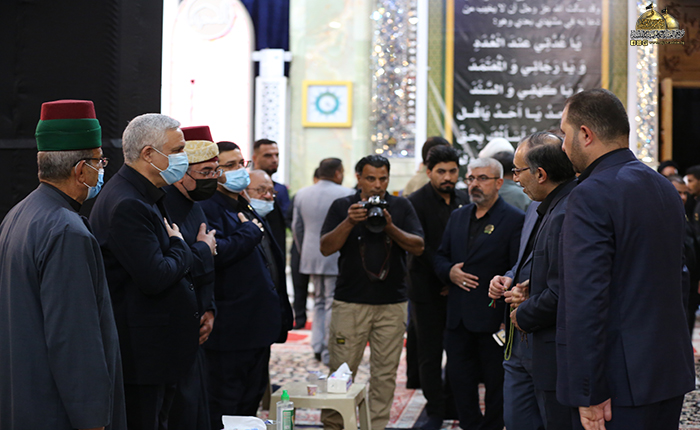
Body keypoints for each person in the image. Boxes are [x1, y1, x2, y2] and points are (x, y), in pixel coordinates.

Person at [556, 88, 694, 430]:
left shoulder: (590, 194)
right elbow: (679, 277)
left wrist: (589, 391)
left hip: (618, 385)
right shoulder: (664, 187)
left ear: (585, 134)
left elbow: (586, 298)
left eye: (564, 134)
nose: (562, 146)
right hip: (666, 372)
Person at [0, 99, 126, 430]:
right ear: (81, 170)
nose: (102, 169)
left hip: (22, 400)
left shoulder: (19, 215)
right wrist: (92, 419)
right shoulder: (67, 231)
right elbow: (74, 338)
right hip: (56, 411)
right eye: (100, 161)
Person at [90, 113, 200, 430]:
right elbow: (156, 276)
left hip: (156, 352)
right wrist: (182, 246)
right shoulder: (128, 202)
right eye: (178, 150)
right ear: (149, 154)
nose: (184, 158)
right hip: (143, 356)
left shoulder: (144, 193)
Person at [320, 155, 424, 430]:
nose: (377, 185)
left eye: (383, 179)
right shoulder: (343, 206)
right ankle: (334, 426)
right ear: (358, 178)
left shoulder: (401, 206)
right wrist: (349, 221)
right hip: (350, 302)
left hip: (392, 304)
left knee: (385, 374)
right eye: (370, 178)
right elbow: (326, 247)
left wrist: (389, 226)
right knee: (340, 372)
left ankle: (375, 426)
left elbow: (418, 246)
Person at [199, 142, 291, 429]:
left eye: (241, 163)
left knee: (251, 402)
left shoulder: (241, 203)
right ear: (213, 172)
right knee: (226, 405)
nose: (240, 170)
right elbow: (214, 253)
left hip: (258, 325)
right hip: (231, 329)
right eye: (230, 165)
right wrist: (248, 232)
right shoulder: (207, 207)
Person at [434, 157, 524, 430]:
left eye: (482, 178)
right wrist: (450, 272)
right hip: (458, 318)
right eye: (471, 178)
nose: (474, 184)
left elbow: (517, 268)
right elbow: (440, 257)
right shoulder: (458, 216)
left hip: (493, 320)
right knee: (460, 381)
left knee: (496, 384)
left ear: (499, 183)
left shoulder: (514, 219)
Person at [507, 132, 577, 429]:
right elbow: (533, 263)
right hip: (525, 345)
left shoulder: (570, 210)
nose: (515, 179)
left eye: (518, 171)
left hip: (550, 345)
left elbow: (568, 288)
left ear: (540, 174)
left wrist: (525, 311)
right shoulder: (539, 205)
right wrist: (512, 280)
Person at [406, 145, 469, 430]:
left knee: (459, 351)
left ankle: (453, 403)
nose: (447, 177)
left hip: (459, 286)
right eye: (441, 171)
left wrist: (455, 277)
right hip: (427, 288)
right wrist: (446, 276)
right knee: (429, 354)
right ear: (429, 171)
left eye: (452, 171)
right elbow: (421, 248)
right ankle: (434, 410)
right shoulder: (415, 202)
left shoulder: (464, 198)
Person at [162, 125, 220, 430]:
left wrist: (209, 308)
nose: (213, 178)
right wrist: (202, 249)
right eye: (206, 172)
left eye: (216, 171)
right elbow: (177, 264)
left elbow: (207, 265)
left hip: (199, 321)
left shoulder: (196, 205)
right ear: (182, 173)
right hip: (174, 327)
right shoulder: (165, 205)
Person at [292, 158, 354, 364]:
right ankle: (328, 349)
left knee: (318, 301)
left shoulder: (302, 193)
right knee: (331, 302)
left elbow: (297, 228)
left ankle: (317, 345)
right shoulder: (346, 193)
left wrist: (303, 251)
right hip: (335, 254)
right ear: (337, 173)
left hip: (310, 253)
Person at [668, 175, 700, 335]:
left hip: (690, 281)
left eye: (684, 193)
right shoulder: (663, 216)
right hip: (674, 282)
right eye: (678, 192)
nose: (682, 197)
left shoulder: (685, 214)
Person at [290, 167, 321, 330]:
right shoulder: (300, 196)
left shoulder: (301, 195)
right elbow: (292, 222)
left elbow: (295, 225)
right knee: (301, 287)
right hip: (300, 247)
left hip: (304, 246)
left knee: (320, 291)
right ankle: (300, 318)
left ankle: (310, 320)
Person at [253, 138, 290, 260]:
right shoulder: (245, 187)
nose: (274, 160)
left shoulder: (281, 189)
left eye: (276, 155)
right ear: (255, 158)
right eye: (268, 155)